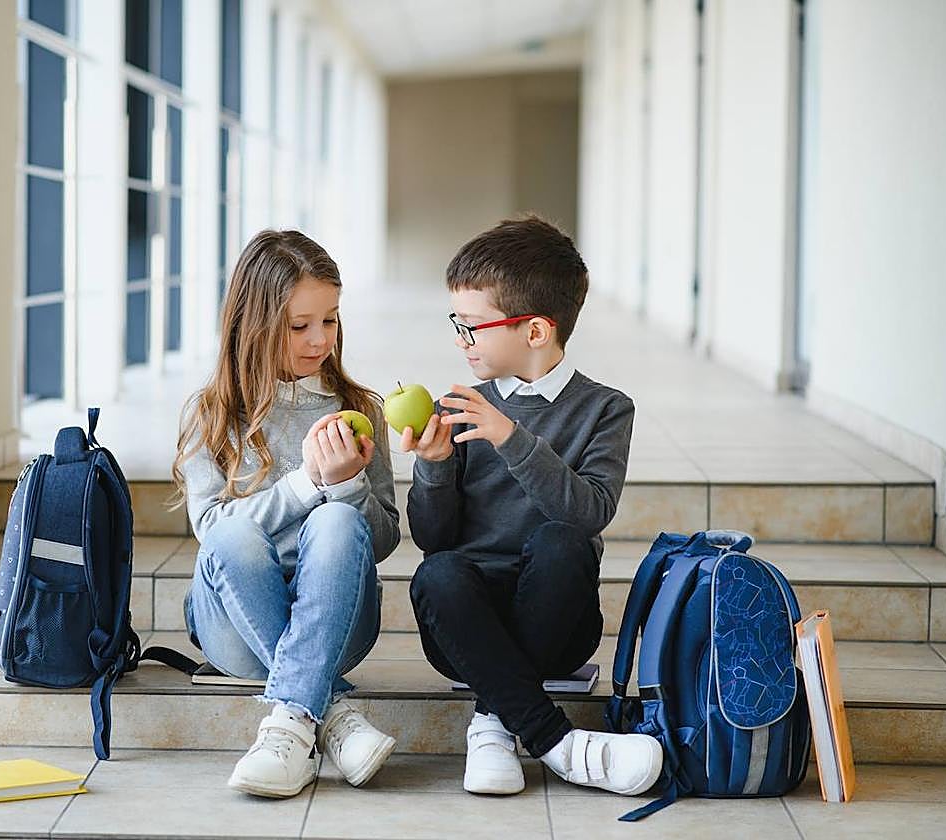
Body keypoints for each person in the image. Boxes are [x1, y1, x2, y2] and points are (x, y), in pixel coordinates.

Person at [402, 216, 662, 797]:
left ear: (536, 331)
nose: (460, 341)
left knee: (561, 539)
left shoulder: (606, 409)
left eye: (471, 326)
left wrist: (510, 437)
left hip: (559, 624)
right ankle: (557, 743)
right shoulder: (460, 405)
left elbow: (590, 512)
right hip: (467, 626)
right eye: (457, 324)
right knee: (438, 573)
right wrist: (434, 465)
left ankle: (493, 720)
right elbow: (433, 537)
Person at [175, 229, 400, 798]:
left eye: (330, 319)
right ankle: (331, 712)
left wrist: (346, 486)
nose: (320, 339)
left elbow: (385, 540)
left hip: (339, 621)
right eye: (299, 326)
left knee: (338, 520)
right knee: (232, 536)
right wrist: (306, 483)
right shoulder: (212, 415)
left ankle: (295, 716)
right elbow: (213, 533)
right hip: (233, 628)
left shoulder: (360, 409)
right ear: (253, 322)